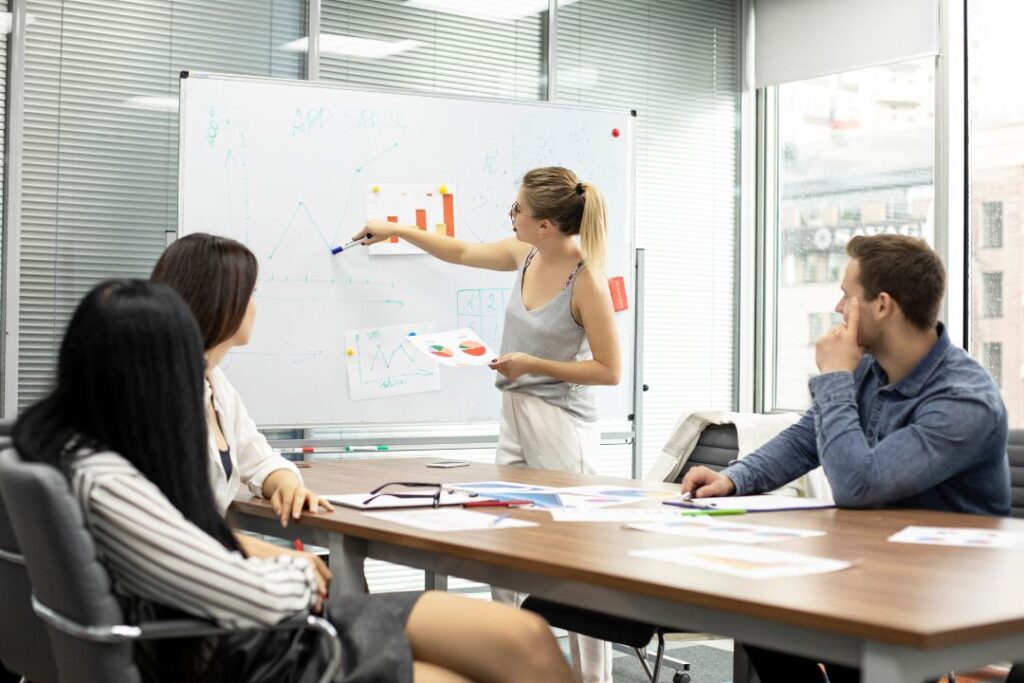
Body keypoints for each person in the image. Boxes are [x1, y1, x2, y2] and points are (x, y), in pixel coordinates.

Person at [13, 279, 574, 683]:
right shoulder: (107, 480)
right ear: (153, 379)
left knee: (523, 637)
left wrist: (269, 557)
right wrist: (303, 574)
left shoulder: (76, 449)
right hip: (248, 643)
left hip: (250, 623)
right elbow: (253, 599)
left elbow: (212, 529)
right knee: (472, 668)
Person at [681, 234, 1011, 683]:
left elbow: (858, 485)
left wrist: (836, 375)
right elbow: (808, 437)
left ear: (882, 306)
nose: (838, 308)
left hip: (941, 585)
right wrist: (736, 478)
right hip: (871, 564)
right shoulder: (872, 368)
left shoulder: (963, 399)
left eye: (846, 295)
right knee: (757, 605)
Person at [352, 166, 620, 682]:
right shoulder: (526, 255)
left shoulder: (587, 281)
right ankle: (510, 664)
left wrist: (531, 364)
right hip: (515, 411)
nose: (511, 215)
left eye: (518, 209)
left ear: (546, 225)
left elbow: (609, 371)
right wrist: (398, 229)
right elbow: (463, 252)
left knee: (574, 563)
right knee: (507, 542)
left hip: (562, 424)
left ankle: (592, 678)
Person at [152, 233, 334, 572]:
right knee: (337, 584)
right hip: (196, 573)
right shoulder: (161, 397)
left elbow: (259, 458)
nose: (254, 306)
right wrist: (281, 557)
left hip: (212, 564)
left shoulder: (214, 384)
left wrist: (286, 484)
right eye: (250, 294)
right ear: (223, 302)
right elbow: (179, 529)